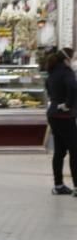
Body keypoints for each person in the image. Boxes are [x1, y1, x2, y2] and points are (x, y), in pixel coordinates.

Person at [46, 47, 77, 195]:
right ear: (67, 59)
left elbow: (48, 88)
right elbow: (73, 88)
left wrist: (57, 102)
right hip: (64, 116)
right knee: (74, 150)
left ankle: (58, 185)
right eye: (74, 58)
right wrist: (68, 105)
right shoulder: (67, 72)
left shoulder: (52, 71)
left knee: (59, 151)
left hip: (53, 114)